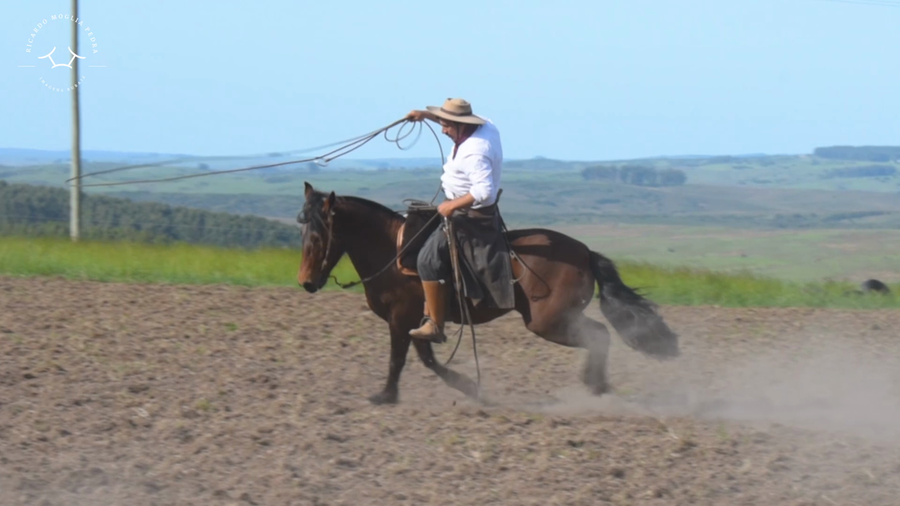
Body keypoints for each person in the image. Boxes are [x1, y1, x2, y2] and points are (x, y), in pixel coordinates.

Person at [404, 98, 512, 343]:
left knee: (427, 259)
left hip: (469, 217)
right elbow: (452, 121)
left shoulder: (475, 152)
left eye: (447, 125)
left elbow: (485, 192)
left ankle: (435, 324)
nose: (443, 130)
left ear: (462, 125)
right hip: (458, 207)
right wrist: (424, 114)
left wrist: (451, 205)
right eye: (442, 123)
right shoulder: (486, 126)